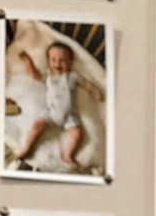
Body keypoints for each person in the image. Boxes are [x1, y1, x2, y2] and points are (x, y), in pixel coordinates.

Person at [11, 36, 95, 170]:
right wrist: (28, 61)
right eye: (53, 60)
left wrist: (94, 90)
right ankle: (26, 148)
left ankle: (67, 155)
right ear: (48, 61)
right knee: (36, 126)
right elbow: (33, 74)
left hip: (69, 116)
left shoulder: (72, 76)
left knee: (77, 134)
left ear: (70, 62)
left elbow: (86, 83)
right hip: (50, 112)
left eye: (62, 60)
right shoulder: (48, 75)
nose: (57, 63)